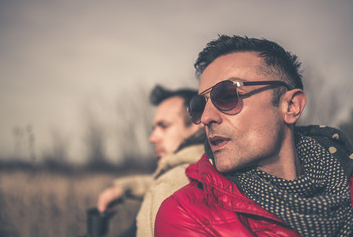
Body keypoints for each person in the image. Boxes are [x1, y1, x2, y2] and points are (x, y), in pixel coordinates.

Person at [155, 35, 353, 237]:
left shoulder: (345, 179)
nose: (206, 117)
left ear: (291, 106)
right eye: (199, 105)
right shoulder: (186, 214)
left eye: (227, 95)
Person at [97, 85, 204, 237]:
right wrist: (124, 187)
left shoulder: (169, 185)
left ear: (198, 122)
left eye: (164, 126)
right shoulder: (203, 170)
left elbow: (167, 182)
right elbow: (156, 180)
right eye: (154, 128)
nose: (152, 138)